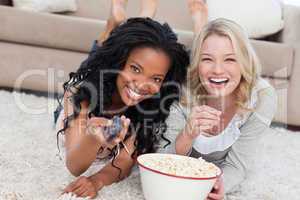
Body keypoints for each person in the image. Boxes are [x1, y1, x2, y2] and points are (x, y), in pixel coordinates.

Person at [54, 0, 189, 198]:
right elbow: (74, 165)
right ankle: (111, 27)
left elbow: (125, 161)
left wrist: (97, 181)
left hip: (115, 81)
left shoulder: (151, 105)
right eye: (135, 68)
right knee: (95, 62)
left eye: (156, 78)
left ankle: (144, 16)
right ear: (119, 64)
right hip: (92, 88)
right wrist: (92, 137)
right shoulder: (78, 93)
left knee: (138, 49)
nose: (142, 84)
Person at [159, 1, 278, 199]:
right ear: (198, 64)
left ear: (244, 62)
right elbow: (163, 160)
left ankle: (200, 22)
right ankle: (200, 25)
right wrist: (187, 135)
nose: (217, 70)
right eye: (207, 59)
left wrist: (219, 186)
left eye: (230, 59)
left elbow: (236, 166)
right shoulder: (182, 90)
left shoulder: (262, 97)